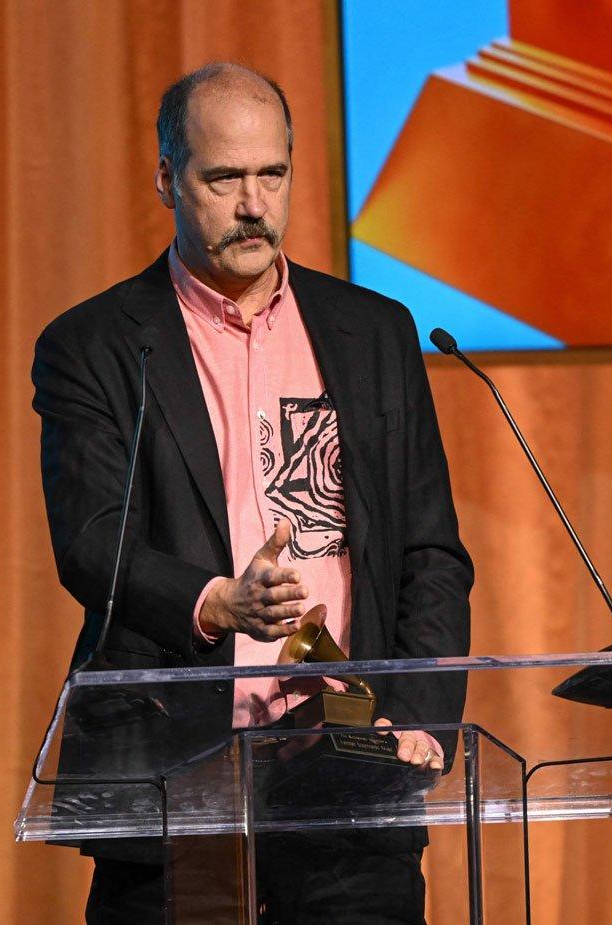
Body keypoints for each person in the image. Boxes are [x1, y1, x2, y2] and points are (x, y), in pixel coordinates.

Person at [32, 63, 472, 923]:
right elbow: (91, 539)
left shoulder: (374, 331)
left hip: (351, 771)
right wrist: (216, 600)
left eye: (272, 174)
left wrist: (419, 719)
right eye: (224, 178)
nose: (253, 204)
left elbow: (430, 551)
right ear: (166, 178)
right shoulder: (96, 345)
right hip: (175, 780)